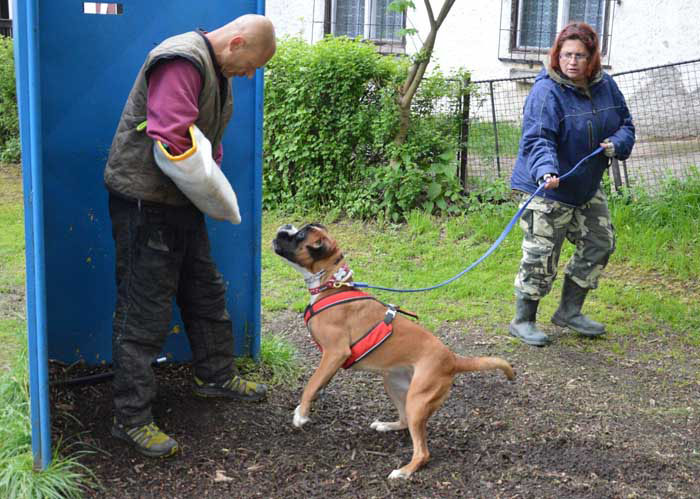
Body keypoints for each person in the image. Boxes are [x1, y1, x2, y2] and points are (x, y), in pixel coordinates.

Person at [103, 14, 276, 457]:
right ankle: (132, 418)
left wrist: (208, 180)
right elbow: (173, 136)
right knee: (144, 310)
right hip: (147, 200)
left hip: (177, 198)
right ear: (236, 42)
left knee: (204, 290)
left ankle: (214, 376)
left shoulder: (215, 66)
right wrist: (214, 192)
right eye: (251, 63)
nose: (250, 74)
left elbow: (202, 137)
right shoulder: (181, 59)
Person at [509, 22, 635, 347]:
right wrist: (546, 170)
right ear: (557, 55)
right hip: (549, 186)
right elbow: (538, 139)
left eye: (580, 55)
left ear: (592, 58)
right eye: (566, 54)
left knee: (600, 242)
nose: (572, 62)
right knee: (541, 254)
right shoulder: (545, 91)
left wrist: (617, 144)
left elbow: (626, 124)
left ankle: (569, 311)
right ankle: (523, 320)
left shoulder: (606, 86)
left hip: (586, 185)